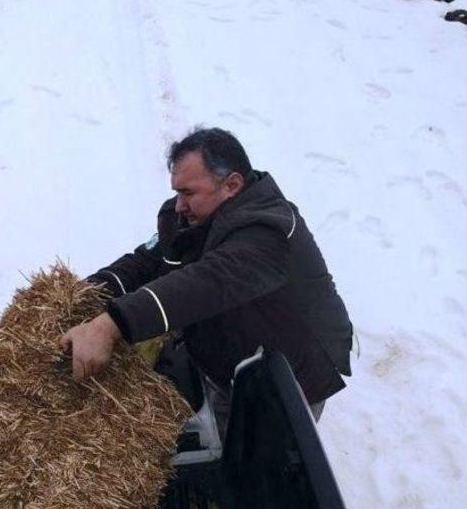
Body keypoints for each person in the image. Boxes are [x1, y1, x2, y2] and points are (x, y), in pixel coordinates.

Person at [61, 127, 352, 433]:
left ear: (232, 185)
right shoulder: (194, 217)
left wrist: (111, 325)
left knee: (256, 454)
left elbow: (203, 284)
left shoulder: (269, 231)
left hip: (287, 373)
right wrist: (85, 294)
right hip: (231, 352)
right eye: (176, 191)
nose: (178, 206)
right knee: (224, 418)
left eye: (188, 193)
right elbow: (147, 261)